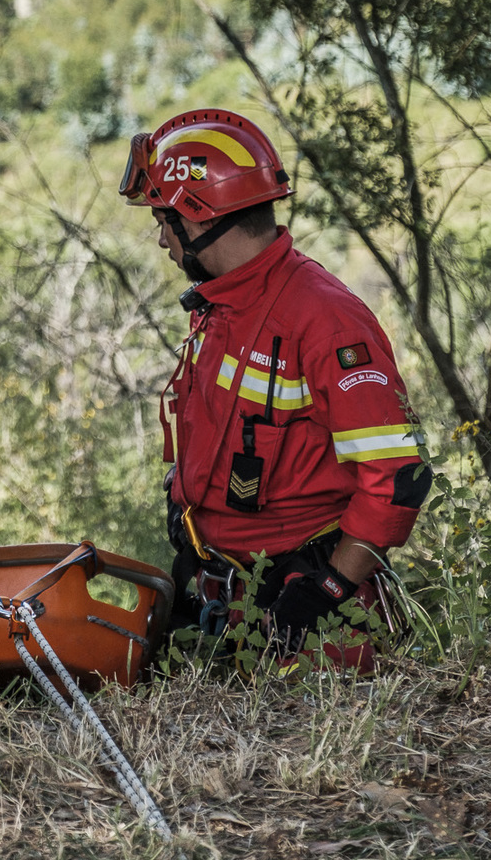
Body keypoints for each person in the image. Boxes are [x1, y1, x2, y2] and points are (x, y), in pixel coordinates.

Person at [119, 106, 430, 667]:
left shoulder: (325, 319)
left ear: (197, 218)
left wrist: (326, 591)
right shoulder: (222, 305)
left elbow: (397, 478)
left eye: (164, 220)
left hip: (308, 613)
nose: (161, 239)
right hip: (221, 595)